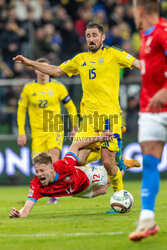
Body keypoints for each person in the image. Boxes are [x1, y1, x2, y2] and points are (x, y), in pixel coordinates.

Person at [13, 22, 140, 199]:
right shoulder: (80, 59)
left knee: (108, 162)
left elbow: (138, 63)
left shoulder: (114, 54)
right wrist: (29, 62)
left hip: (109, 117)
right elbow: (56, 70)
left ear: (103, 37)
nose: (91, 39)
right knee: (77, 160)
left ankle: (119, 196)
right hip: (89, 120)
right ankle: (113, 155)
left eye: (95, 35)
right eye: (88, 36)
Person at [129, 0, 167, 241]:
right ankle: (146, 220)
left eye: (133, 9)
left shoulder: (163, 32)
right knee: (150, 164)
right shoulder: (145, 35)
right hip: (150, 109)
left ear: (140, 11)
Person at [9, 131, 113, 218]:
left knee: (112, 174)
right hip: (77, 192)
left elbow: (75, 145)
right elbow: (25, 212)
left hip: (86, 177)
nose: (39, 175)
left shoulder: (64, 166)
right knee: (103, 190)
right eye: (36, 171)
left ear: (52, 168)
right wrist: (19, 214)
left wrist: (100, 138)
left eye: (42, 170)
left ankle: (123, 164)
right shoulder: (36, 185)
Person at [17, 58, 78, 204]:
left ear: (49, 69)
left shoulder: (58, 87)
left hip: (54, 128)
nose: (42, 71)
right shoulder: (28, 88)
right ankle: (44, 190)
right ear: (35, 69)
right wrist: (21, 132)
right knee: (39, 163)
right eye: (39, 68)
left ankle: (55, 194)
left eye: (46, 68)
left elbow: (71, 107)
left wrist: (74, 126)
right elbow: (21, 110)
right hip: (37, 132)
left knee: (53, 158)